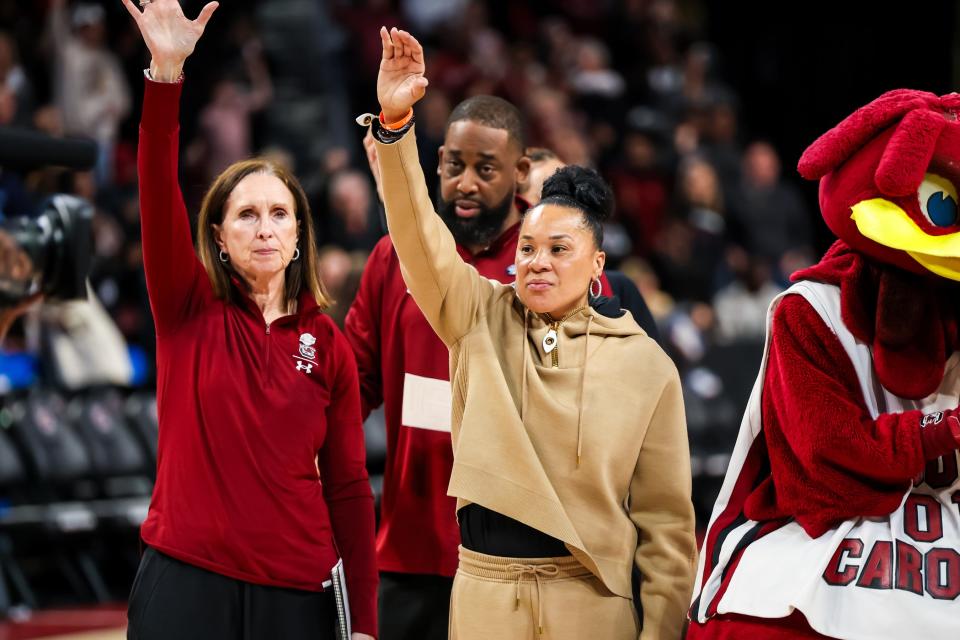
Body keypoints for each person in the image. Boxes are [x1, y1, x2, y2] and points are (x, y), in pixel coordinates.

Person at [371, 27, 696, 639]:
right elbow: (417, 234)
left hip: (593, 602)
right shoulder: (477, 315)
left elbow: (668, 529)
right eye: (527, 248)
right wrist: (395, 124)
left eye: (558, 249)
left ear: (598, 266)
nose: (537, 261)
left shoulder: (648, 367)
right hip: (486, 594)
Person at [120, 2, 376, 639]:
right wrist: (165, 75)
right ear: (219, 235)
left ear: (299, 236)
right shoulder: (186, 307)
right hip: (185, 579)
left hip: (298, 593)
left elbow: (347, 489)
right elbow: (156, 184)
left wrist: (366, 624)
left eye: (279, 214)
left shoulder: (328, 344)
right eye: (246, 214)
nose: (265, 227)